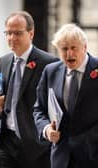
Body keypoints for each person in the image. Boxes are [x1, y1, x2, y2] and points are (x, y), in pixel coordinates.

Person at [0, 11, 58, 168]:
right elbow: (2, 99)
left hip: (36, 145)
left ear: (31, 34)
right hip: (7, 141)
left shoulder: (49, 63)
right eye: (8, 33)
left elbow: (56, 104)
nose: (12, 38)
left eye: (17, 33)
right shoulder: (3, 62)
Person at [33, 23, 98, 168]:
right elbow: (39, 109)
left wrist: (88, 140)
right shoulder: (50, 71)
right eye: (64, 49)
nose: (69, 54)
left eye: (74, 48)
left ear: (85, 47)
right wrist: (46, 129)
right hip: (61, 158)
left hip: (93, 155)